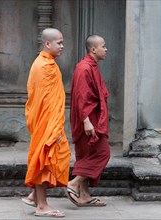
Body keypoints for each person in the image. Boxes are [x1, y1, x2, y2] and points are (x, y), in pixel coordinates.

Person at [22, 27, 71, 218]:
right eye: (59, 43)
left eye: (62, 42)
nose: (62, 46)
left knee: (58, 155)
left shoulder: (45, 62)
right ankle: (42, 206)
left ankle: (35, 195)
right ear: (47, 44)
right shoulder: (44, 66)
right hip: (47, 121)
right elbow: (47, 101)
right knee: (45, 159)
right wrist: (54, 128)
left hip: (45, 120)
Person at [66, 35, 110, 207]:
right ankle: (74, 183)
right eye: (103, 46)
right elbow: (81, 97)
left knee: (86, 154)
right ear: (93, 49)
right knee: (103, 153)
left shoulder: (91, 66)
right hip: (89, 119)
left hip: (91, 117)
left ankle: (84, 195)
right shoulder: (84, 68)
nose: (106, 49)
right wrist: (86, 120)